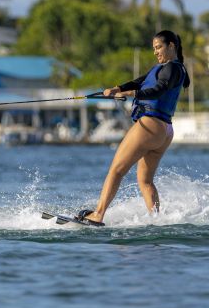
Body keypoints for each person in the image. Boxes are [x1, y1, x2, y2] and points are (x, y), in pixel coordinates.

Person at [78, 30, 190, 226]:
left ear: (171, 46)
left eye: (159, 47)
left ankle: (98, 215)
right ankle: (157, 221)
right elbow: (140, 81)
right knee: (145, 181)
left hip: (150, 125)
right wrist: (117, 89)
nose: (155, 52)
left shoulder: (171, 68)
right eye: (154, 48)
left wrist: (129, 93)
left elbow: (158, 90)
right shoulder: (170, 68)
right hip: (164, 131)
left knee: (116, 170)